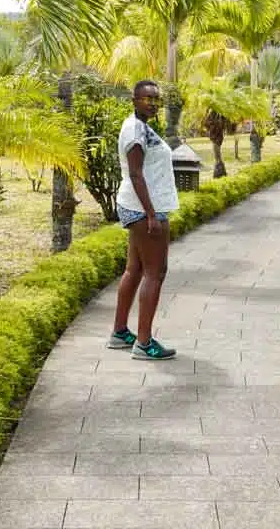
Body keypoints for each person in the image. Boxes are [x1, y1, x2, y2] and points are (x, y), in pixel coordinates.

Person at [107, 80, 179, 360]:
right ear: (134, 99)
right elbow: (136, 174)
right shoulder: (135, 131)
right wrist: (151, 214)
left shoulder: (139, 126)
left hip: (137, 205)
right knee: (155, 272)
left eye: (155, 99)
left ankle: (120, 332)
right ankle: (144, 343)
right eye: (146, 98)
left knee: (135, 270)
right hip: (143, 208)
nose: (151, 103)